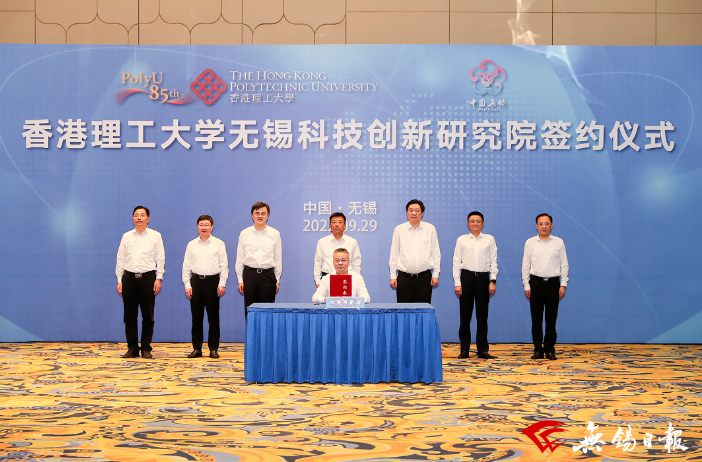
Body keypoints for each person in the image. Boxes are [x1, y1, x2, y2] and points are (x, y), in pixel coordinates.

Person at [115, 205, 165, 359]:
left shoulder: (155, 236)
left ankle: (146, 348)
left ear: (148, 219)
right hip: (128, 278)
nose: (139, 218)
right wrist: (119, 280)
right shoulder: (126, 236)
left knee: (148, 316)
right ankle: (132, 348)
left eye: (142, 215)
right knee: (129, 316)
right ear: (132, 218)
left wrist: (159, 278)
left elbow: (160, 258)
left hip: (148, 278)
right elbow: (120, 259)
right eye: (136, 215)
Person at [522, 213, 569, 360]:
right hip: (535, 283)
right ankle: (538, 349)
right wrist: (526, 285)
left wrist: (563, 284)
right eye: (541, 224)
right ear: (536, 226)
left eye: (546, 223)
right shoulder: (530, 242)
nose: (544, 226)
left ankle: (549, 349)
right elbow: (525, 266)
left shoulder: (559, 242)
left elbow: (564, 265)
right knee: (536, 319)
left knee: (551, 319)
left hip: (553, 284)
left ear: (551, 225)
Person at [182, 215, 229, 359]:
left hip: (213, 283)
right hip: (196, 282)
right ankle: (197, 349)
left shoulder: (219, 244)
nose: (204, 227)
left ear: (212, 227)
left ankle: (213, 349)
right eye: (201, 225)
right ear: (197, 227)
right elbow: (186, 266)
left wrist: (222, 284)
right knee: (196, 318)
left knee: (213, 318)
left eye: (207, 225)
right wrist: (187, 284)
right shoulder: (191, 244)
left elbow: (224, 266)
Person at [453, 211, 498, 359]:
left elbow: (493, 261)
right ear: (468, 224)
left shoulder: (489, 239)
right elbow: (456, 263)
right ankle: (464, 349)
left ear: (483, 224)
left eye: (478, 221)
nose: (475, 223)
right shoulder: (461, 239)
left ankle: (482, 350)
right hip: (466, 278)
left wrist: (493, 280)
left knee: (482, 316)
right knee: (465, 316)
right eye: (472, 221)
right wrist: (458, 283)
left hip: (483, 279)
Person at [235, 202, 282, 317]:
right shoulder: (244, 233)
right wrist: (240, 279)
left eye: (263, 213)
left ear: (268, 215)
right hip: (250, 275)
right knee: (251, 312)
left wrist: (277, 280)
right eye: (257, 213)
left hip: (268, 276)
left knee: (267, 313)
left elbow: (278, 259)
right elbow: (240, 258)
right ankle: (251, 330)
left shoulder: (275, 233)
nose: (260, 216)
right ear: (252, 215)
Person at [389, 199, 441, 303]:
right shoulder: (399, 229)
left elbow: (436, 253)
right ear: (407, 213)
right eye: (411, 210)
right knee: (404, 310)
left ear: (422, 213)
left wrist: (435, 274)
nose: (414, 213)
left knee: (423, 310)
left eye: (417, 210)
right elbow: (394, 254)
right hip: (404, 278)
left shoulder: (430, 229)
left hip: (424, 277)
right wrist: (393, 276)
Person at [313, 212, 361, 288]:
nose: (337, 225)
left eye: (340, 222)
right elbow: (318, 263)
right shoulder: (322, 242)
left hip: (347, 279)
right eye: (334, 222)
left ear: (344, 225)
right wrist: (318, 282)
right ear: (330, 226)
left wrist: (355, 281)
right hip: (327, 279)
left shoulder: (352, 242)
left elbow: (356, 263)